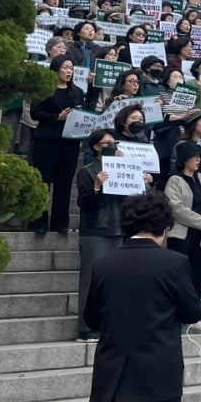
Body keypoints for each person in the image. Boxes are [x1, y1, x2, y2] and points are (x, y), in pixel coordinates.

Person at [78, 193, 201, 402]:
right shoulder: (174, 263)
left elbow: (91, 319)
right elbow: (193, 311)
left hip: (113, 377)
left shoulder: (104, 265)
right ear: (163, 226)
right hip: (159, 377)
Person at [74, 129, 127, 342]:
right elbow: (85, 204)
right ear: (96, 147)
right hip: (96, 230)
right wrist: (96, 185)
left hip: (119, 230)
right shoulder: (87, 171)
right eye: (106, 143)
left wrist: (143, 181)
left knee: (114, 281)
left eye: (114, 142)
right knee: (91, 279)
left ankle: (109, 323)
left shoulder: (123, 167)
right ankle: (86, 327)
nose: (112, 146)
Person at [164, 142, 201, 336]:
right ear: (185, 159)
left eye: (199, 157)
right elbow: (176, 209)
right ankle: (177, 316)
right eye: (195, 157)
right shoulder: (174, 180)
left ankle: (193, 316)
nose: (198, 160)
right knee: (180, 277)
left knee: (196, 275)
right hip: (182, 236)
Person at [29, 55, 85, 236]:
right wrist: (56, 117)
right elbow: (35, 112)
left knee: (65, 183)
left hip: (69, 143)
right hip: (47, 139)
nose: (69, 71)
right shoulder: (44, 88)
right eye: (66, 67)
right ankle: (38, 220)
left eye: (71, 68)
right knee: (43, 181)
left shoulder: (76, 92)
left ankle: (60, 222)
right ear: (56, 69)